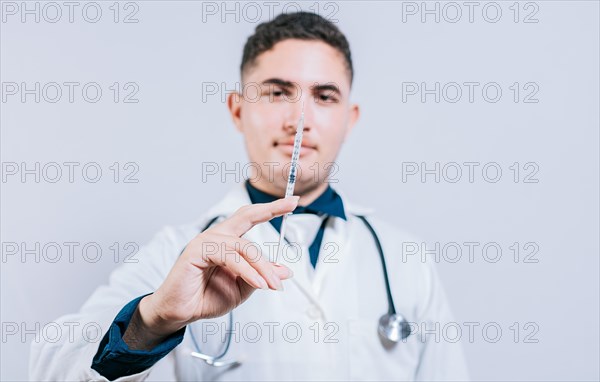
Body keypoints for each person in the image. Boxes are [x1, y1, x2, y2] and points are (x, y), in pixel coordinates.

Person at [30, 11, 469, 381]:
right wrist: (154, 319)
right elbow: (53, 369)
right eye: (278, 92)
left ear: (349, 118)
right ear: (237, 110)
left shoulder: (404, 258)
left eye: (324, 96)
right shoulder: (174, 253)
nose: (300, 119)